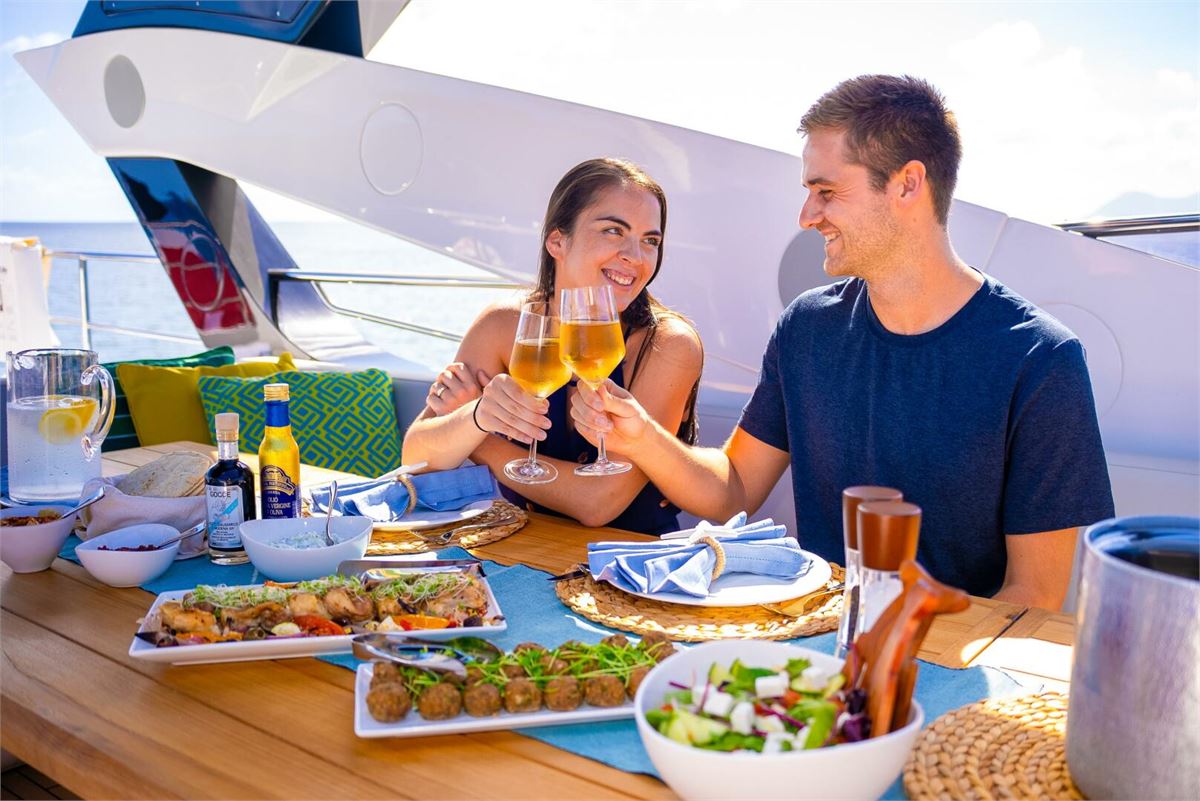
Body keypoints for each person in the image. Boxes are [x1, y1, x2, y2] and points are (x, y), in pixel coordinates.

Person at [569, 75, 1115, 607]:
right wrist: (640, 437)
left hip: (938, 659)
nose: (808, 217)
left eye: (826, 192)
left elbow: (1033, 598)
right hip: (809, 640)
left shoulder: (1041, 359)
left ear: (907, 184)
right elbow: (734, 488)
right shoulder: (808, 327)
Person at [401, 158, 703, 535]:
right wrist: (475, 416)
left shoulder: (667, 344)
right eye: (613, 230)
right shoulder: (504, 326)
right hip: (517, 547)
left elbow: (597, 502)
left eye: (650, 241)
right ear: (557, 240)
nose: (636, 256)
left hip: (629, 561)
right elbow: (416, 459)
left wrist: (479, 435)